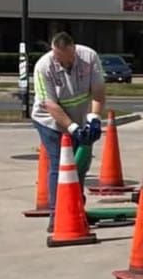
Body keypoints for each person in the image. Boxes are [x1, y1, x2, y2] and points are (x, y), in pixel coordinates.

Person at [32, 32, 108, 231]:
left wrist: (94, 120)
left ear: (74, 50)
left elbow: (98, 92)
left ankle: (76, 209)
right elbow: (50, 104)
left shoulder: (89, 57)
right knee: (61, 165)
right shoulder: (43, 67)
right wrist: (72, 128)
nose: (63, 64)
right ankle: (57, 215)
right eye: (59, 59)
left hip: (80, 116)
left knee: (80, 165)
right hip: (51, 121)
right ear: (53, 52)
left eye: (67, 59)